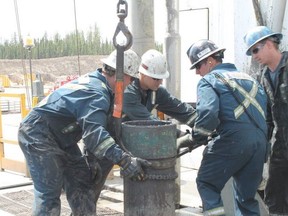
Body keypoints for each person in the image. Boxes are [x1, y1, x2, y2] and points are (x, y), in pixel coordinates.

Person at [18, 49, 151, 216]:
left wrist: (92, 159)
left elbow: (93, 127)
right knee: (49, 193)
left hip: (61, 138)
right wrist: (125, 161)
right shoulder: (96, 93)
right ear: (120, 75)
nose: (130, 83)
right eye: (130, 79)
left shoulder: (101, 87)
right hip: (37, 133)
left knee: (81, 184)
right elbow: (94, 134)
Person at [182, 39, 268, 215]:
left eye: (198, 66)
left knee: (207, 183)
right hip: (260, 143)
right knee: (246, 198)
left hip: (233, 140)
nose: (198, 72)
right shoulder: (251, 79)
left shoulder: (210, 80)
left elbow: (208, 112)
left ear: (211, 61)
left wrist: (197, 136)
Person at [244, 25, 288, 215]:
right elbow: (268, 116)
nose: (254, 56)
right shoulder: (263, 77)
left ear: (269, 44)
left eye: (256, 49)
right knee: (274, 194)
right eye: (251, 52)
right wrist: (261, 143)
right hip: (281, 145)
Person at [123, 49, 196, 131]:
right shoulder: (128, 93)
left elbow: (179, 108)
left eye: (161, 78)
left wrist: (201, 123)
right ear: (143, 74)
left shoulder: (156, 91)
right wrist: (179, 135)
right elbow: (149, 121)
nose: (160, 82)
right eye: (156, 79)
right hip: (118, 138)